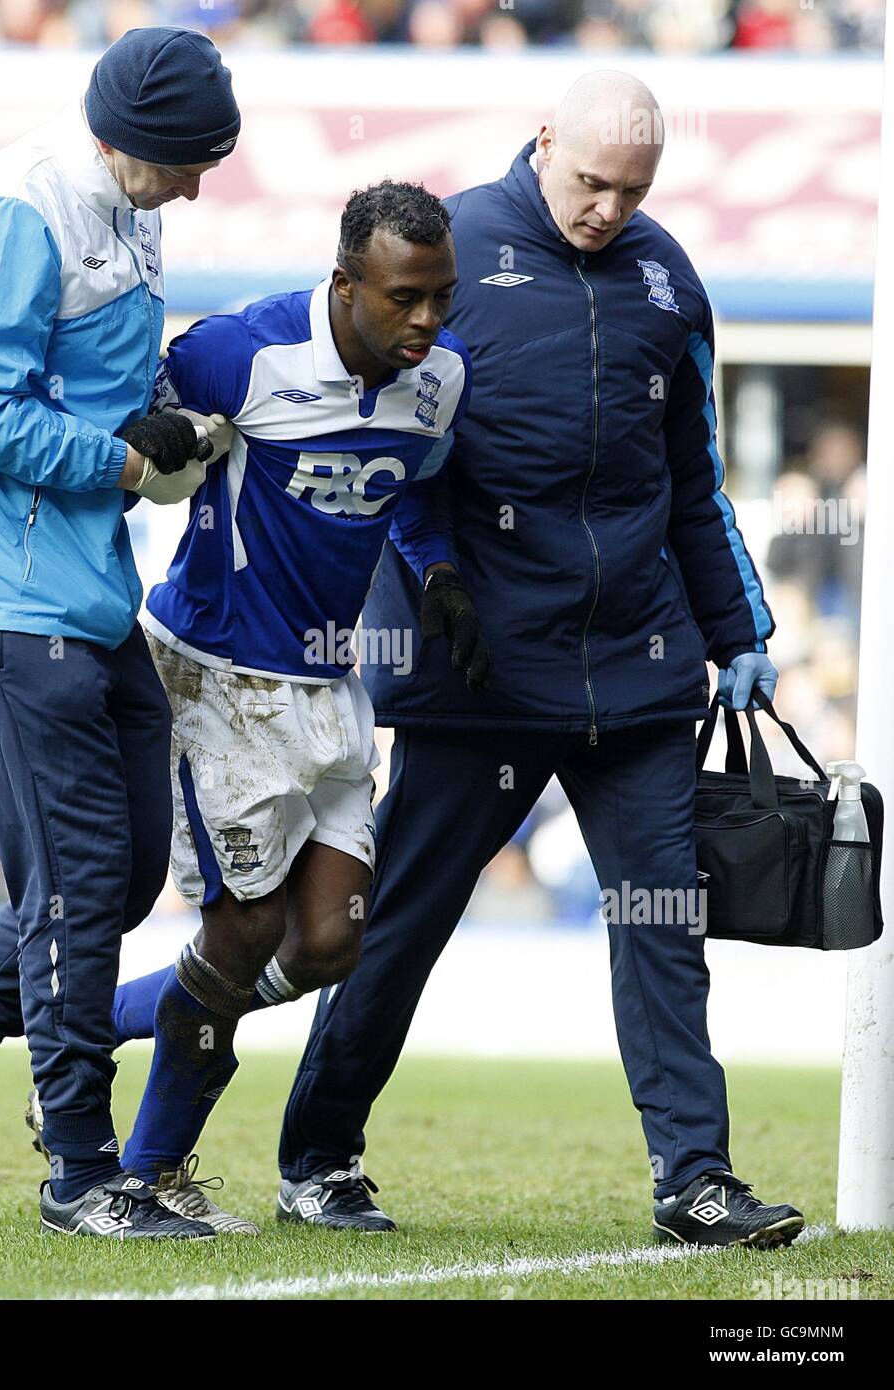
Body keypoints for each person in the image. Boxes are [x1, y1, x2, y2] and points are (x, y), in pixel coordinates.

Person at [272, 71, 805, 1247]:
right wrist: (432, 584)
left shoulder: (673, 280)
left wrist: (742, 634)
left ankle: (695, 1180)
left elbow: (692, 483)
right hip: (481, 672)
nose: (609, 208)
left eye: (634, 189)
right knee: (399, 922)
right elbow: (391, 450)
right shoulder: (447, 257)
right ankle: (318, 1156)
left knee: (662, 925)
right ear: (544, 138)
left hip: (642, 670)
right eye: (591, 181)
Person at [0, 27, 243, 1241]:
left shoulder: (134, 205)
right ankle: (82, 1172)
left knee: (114, 879)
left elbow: (92, 382)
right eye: (187, 160)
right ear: (128, 140)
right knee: (73, 880)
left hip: (77, 579)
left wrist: (165, 422)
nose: (199, 183)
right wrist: (121, 456)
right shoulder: (14, 210)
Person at [29, 182, 484, 1234]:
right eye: (405, 298)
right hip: (217, 675)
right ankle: (141, 1175)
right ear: (346, 283)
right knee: (244, 930)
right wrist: (160, 428)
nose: (426, 321)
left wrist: (441, 570)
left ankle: (79, 1025)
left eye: (442, 298)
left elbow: (417, 482)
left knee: (329, 942)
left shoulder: (439, 379)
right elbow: (137, 396)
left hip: (332, 688)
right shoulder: (245, 350)